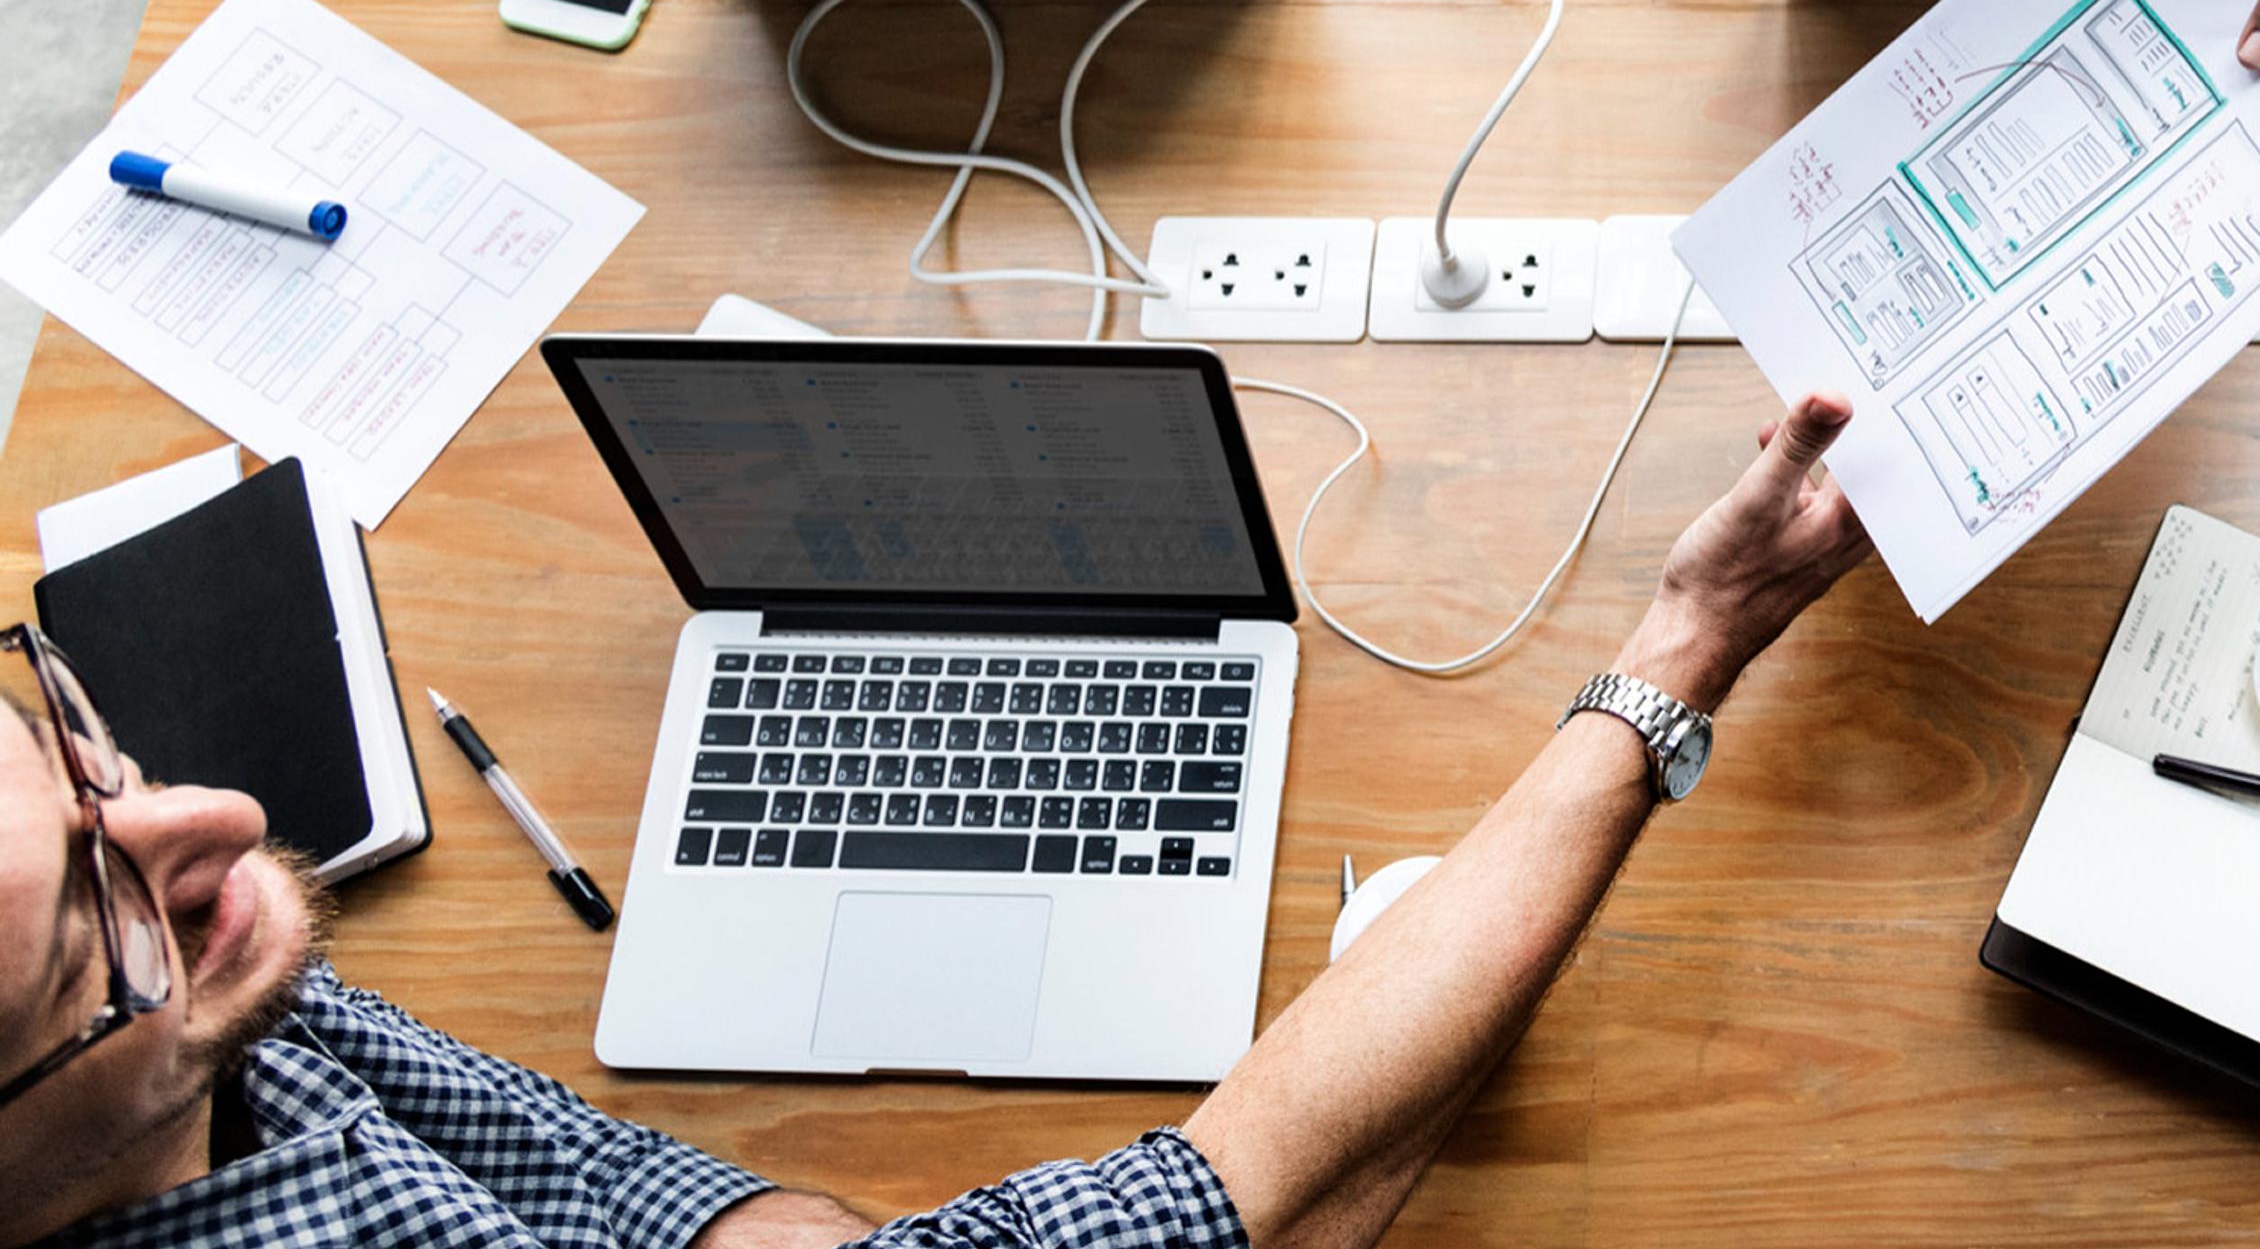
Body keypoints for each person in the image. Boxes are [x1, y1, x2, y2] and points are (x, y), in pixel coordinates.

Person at [0, 395, 1876, 1249]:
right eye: (106, 930)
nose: (212, 819)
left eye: (72, 747)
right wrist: (1691, 639)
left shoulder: (182, 973)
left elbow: (574, 1164)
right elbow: (1229, 1185)